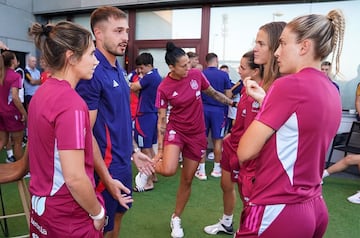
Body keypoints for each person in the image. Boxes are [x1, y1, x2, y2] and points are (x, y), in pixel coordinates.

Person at [237, 9, 345, 237]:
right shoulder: (331, 90)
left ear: (304, 47)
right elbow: (298, 131)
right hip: (314, 205)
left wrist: (264, 107)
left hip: (278, 206)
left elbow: (245, 151)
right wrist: (266, 101)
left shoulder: (288, 85)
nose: (277, 52)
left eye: (283, 43)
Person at [76, 6, 154, 238]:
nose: (126, 38)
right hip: (104, 169)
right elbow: (85, 132)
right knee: (99, 226)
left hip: (121, 163)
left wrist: (134, 151)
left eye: (127, 31)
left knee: (118, 216)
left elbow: (119, 118)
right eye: (118, 31)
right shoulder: (92, 72)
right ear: (98, 34)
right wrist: (106, 177)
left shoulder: (118, 68)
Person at [27, 21, 109, 237]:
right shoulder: (70, 103)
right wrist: (98, 213)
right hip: (68, 216)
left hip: (42, 211)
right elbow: (74, 177)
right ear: (71, 57)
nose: (96, 61)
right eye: (91, 54)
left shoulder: (41, 94)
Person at [204, 21, 285, 235]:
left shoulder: (277, 89)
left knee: (250, 202)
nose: (239, 71)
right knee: (227, 186)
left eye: (261, 43)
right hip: (236, 149)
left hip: (252, 160)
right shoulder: (250, 90)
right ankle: (227, 221)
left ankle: (239, 223)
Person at [150, 42, 236, 238]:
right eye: (183, 65)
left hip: (197, 135)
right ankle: (149, 167)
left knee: (187, 180)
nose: (188, 68)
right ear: (171, 67)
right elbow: (162, 121)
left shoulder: (196, 75)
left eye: (189, 63)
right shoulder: (164, 87)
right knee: (170, 169)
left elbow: (212, 93)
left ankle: (176, 218)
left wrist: (231, 102)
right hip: (176, 131)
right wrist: (161, 151)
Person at [196, 53, 232, 180]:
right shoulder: (224, 75)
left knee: (202, 139)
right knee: (218, 140)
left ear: (206, 62)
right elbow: (228, 95)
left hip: (203, 109)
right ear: (216, 61)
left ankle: (202, 171)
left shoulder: (201, 74)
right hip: (219, 111)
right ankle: (217, 169)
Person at [131, 52, 162, 192]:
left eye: (141, 68)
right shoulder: (155, 76)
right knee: (148, 148)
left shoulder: (150, 77)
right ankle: (153, 175)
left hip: (145, 116)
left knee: (144, 149)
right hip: (151, 114)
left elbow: (133, 87)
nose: (140, 71)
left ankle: (147, 181)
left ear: (148, 65)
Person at [0, 51, 27, 163]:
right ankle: (20, 172)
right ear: (12, 61)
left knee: (2, 141)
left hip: (1, 112)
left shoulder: (1, 74)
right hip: (12, 113)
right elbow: (15, 97)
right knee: (17, 142)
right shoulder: (15, 76)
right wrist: (25, 113)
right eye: (15, 58)